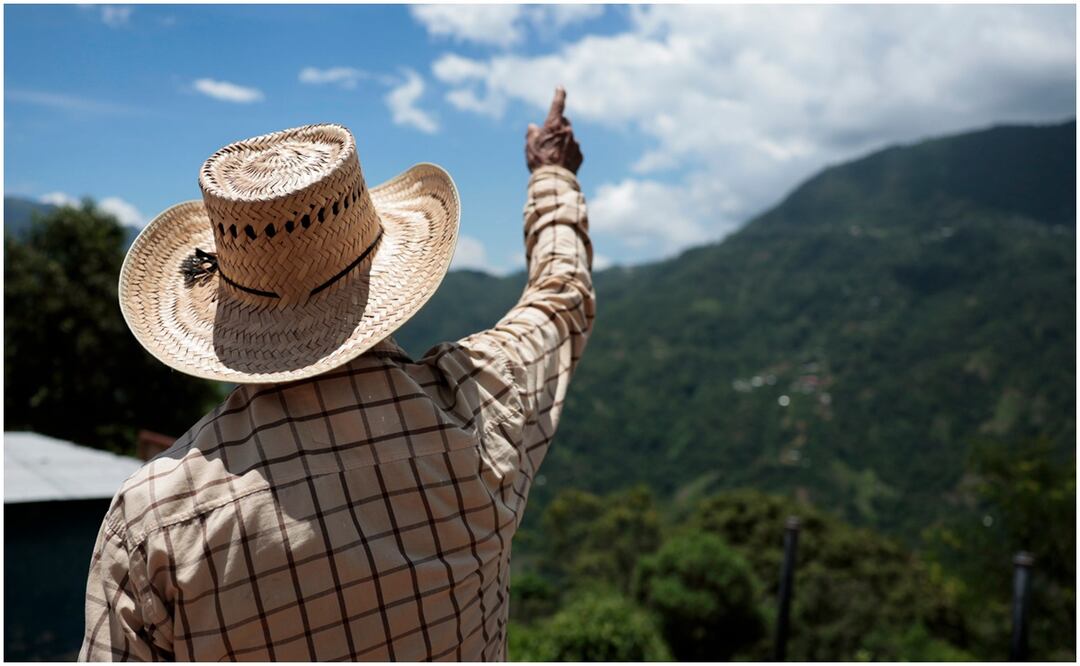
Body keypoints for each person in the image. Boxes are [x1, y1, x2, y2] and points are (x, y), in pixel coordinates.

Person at [79, 87, 594, 661]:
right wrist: (552, 175)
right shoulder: (478, 410)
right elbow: (559, 298)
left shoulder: (155, 518)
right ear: (386, 266)